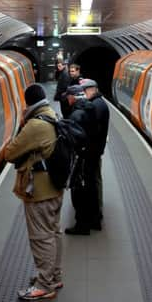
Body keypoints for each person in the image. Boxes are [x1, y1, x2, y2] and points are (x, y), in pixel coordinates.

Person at [4, 84, 64, 300]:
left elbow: (10, 153)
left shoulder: (35, 125)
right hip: (54, 187)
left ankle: (44, 285)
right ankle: (53, 276)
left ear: (28, 103)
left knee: (41, 237)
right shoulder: (51, 114)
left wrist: (23, 125)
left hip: (39, 190)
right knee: (53, 233)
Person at [64, 84, 98, 235]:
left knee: (78, 192)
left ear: (72, 97)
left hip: (80, 159)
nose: (67, 99)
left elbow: (74, 140)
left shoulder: (76, 115)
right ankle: (90, 220)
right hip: (89, 155)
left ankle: (81, 225)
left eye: (68, 97)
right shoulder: (90, 108)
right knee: (88, 189)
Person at [81, 79, 110, 227]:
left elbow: (93, 129)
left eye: (84, 92)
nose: (84, 95)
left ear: (91, 90)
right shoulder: (100, 103)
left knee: (93, 180)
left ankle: (96, 213)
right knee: (96, 178)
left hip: (93, 149)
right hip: (97, 149)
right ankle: (96, 210)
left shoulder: (96, 106)